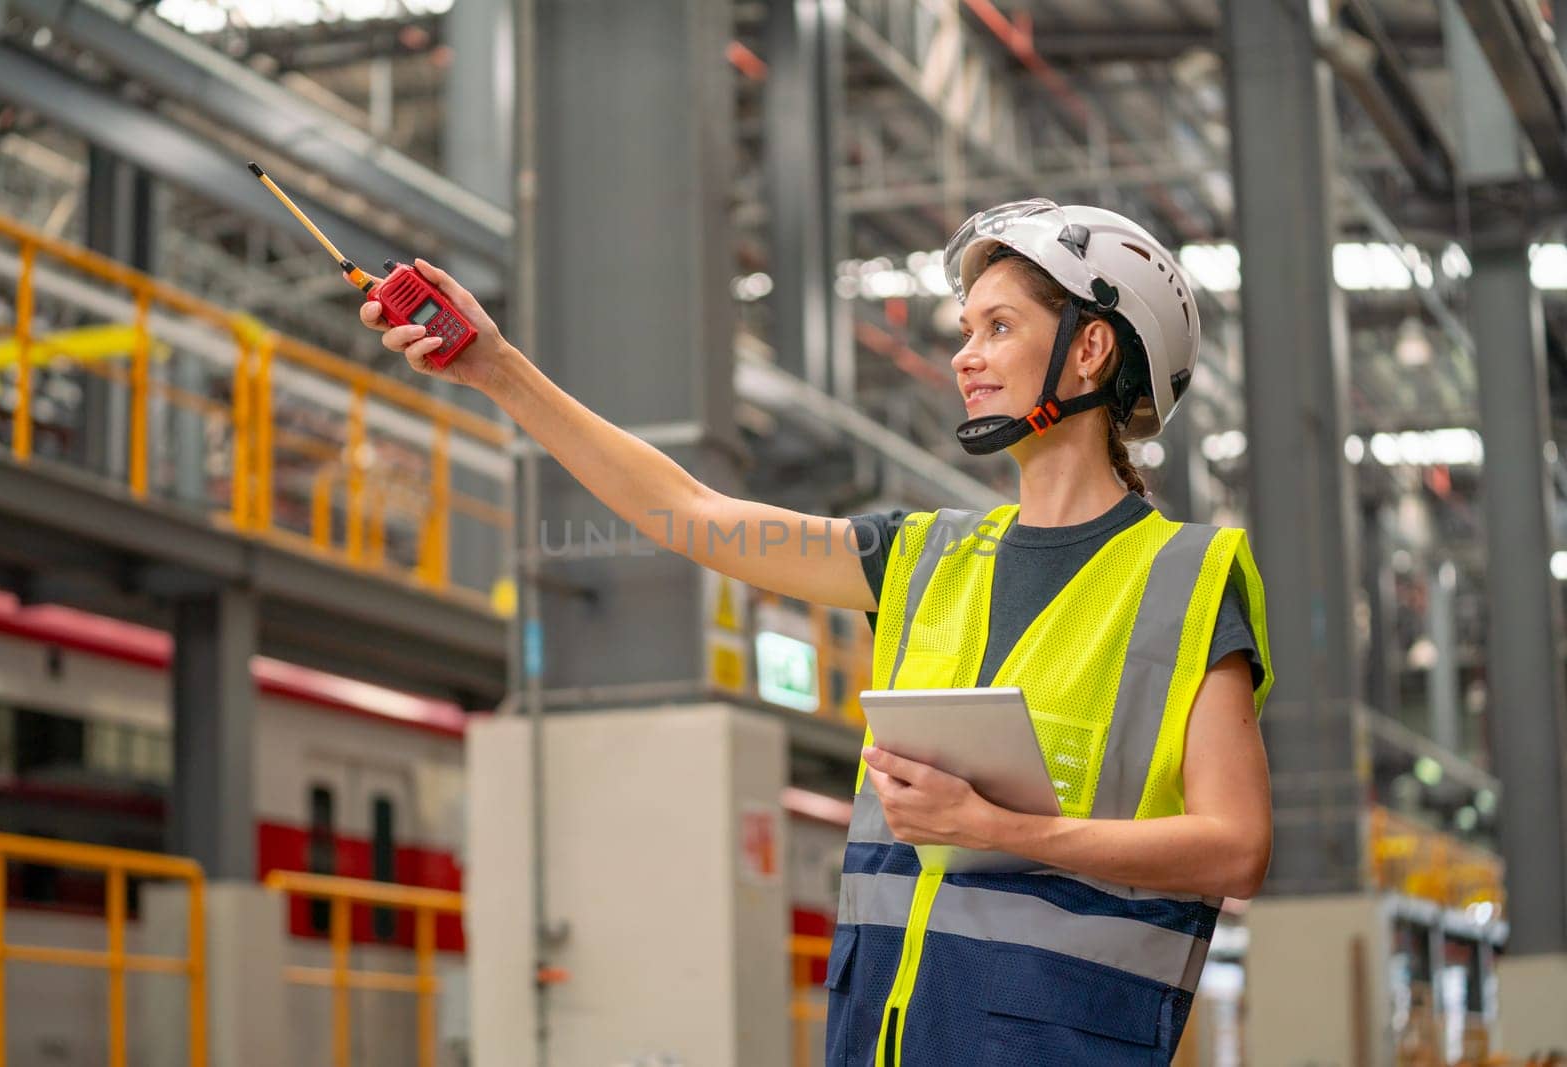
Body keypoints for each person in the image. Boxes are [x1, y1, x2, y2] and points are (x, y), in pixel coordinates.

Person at [357, 198, 1272, 1065]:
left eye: (999, 327)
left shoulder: (1187, 579)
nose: (965, 357)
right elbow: (693, 515)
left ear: (1091, 350)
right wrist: (495, 367)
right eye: (965, 332)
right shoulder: (923, 557)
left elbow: (1236, 846)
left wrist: (998, 828)